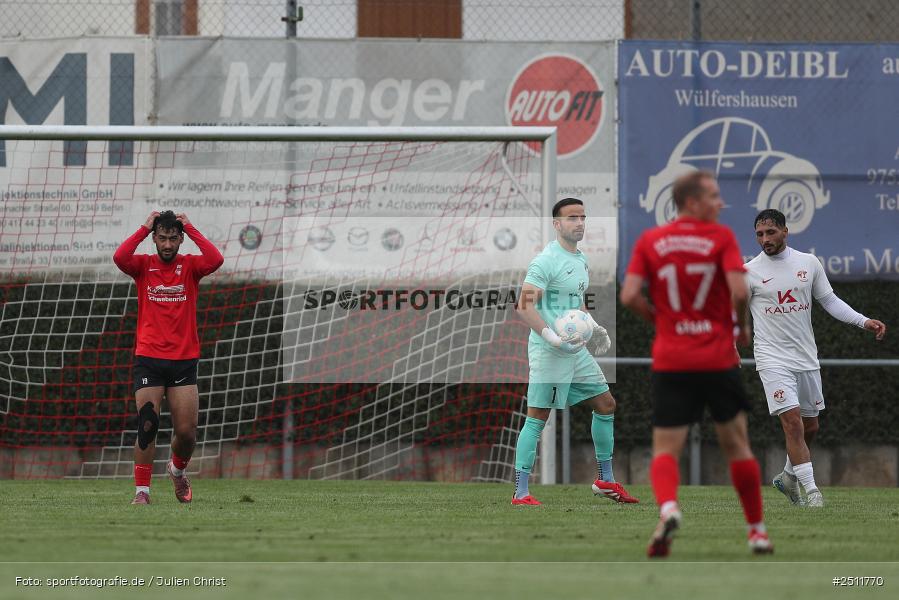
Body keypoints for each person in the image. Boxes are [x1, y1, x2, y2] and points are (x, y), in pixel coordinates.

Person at [620, 171, 772, 557]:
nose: (721, 203)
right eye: (714, 196)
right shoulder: (719, 238)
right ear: (692, 202)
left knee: (666, 449)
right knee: (738, 446)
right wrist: (739, 327)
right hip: (717, 357)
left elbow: (629, 295)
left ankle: (669, 507)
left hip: (673, 359)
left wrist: (662, 322)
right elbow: (739, 290)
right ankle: (756, 532)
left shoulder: (651, 240)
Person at [747, 209, 886, 508]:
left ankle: (787, 476)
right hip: (771, 358)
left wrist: (863, 321)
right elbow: (731, 317)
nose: (765, 239)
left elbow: (830, 301)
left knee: (811, 427)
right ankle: (813, 494)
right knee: (793, 422)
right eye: (760, 234)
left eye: (770, 232)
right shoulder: (749, 272)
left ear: (785, 231)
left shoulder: (808, 263)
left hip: (806, 358)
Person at [512, 197, 638, 506]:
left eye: (582, 217)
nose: (579, 223)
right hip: (549, 350)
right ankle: (521, 493)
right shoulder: (545, 260)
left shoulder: (581, 259)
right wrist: (553, 338)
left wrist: (594, 328)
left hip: (575, 351)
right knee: (538, 418)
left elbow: (576, 307)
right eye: (572, 218)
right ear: (557, 224)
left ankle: (606, 481)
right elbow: (524, 306)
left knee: (606, 404)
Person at [113, 210, 224, 505]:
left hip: (184, 360)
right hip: (148, 358)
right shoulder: (142, 266)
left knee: (187, 433)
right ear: (154, 239)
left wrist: (190, 225)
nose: (167, 244)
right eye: (161, 238)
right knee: (147, 423)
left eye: (173, 238)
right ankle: (142, 492)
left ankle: (176, 470)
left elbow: (216, 259)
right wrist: (143, 226)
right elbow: (120, 257)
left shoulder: (190, 266)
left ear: (180, 239)